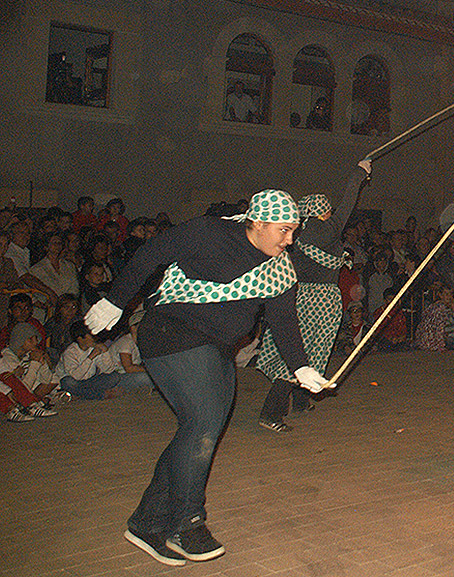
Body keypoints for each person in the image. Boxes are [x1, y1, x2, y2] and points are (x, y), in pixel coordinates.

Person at [84, 189, 332, 566]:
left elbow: (284, 322)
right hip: (171, 332)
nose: (290, 240)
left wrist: (301, 368)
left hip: (218, 347)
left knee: (202, 428)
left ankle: (147, 524)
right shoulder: (208, 233)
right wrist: (116, 300)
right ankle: (188, 522)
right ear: (258, 222)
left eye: (294, 231)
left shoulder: (281, 267)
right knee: (202, 423)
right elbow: (151, 254)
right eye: (283, 230)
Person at [256, 160, 370, 432]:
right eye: (328, 210)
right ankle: (271, 413)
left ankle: (300, 401)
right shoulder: (329, 229)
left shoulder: (296, 234)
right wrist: (360, 173)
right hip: (322, 300)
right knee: (309, 353)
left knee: (295, 347)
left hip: (296, 297)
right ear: (322, 212)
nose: (332, 213)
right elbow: (348, 201)